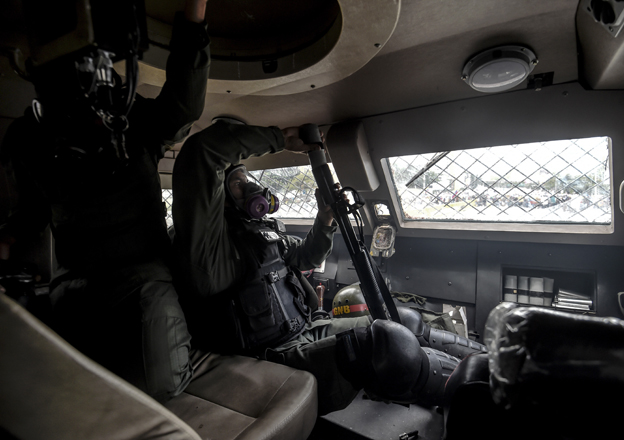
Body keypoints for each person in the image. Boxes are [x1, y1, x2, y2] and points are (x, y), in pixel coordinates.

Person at [172, 120, 486, 414]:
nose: (252, 190)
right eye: (238, 186)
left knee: (402, 321)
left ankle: (489, 364)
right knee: (388, 346)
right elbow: (202, 153)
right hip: (269, 354)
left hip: (307, 329)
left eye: (249, 180)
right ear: (219, 199)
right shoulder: (206, 248)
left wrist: (325, 220)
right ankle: (473, 403)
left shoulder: (262, 233)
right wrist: (282, 139)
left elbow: (306, 257)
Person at [0, 0, 210, 403]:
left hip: (143, 281)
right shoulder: (28, 138)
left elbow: (183, 105)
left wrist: (194, 17)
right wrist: (7, 240)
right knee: (66, 388)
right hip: (76, 284)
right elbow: (31, 211)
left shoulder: (131, 120)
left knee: (160, 384)